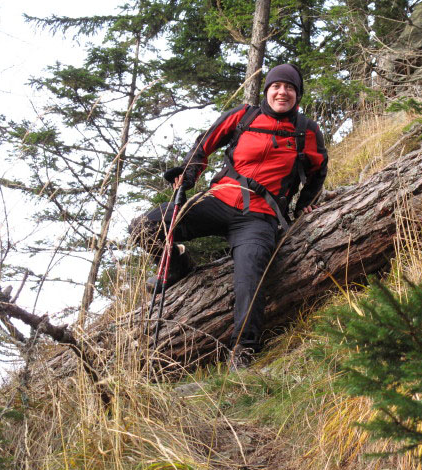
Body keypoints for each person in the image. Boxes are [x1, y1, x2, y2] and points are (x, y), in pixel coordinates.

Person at [129, 64, 328, 370]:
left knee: (250, 274)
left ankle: (243, 349)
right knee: (146, 226)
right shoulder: (244, 116)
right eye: (276, 86)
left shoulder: (306, 130)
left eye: (289, 88)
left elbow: (318, 170)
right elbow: (205, 142)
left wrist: (305, 204)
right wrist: (189, 174)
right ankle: (177, 265)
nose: (282, 92)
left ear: (297, 95)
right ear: (267, 91)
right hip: (217, 199)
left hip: (260, 215)